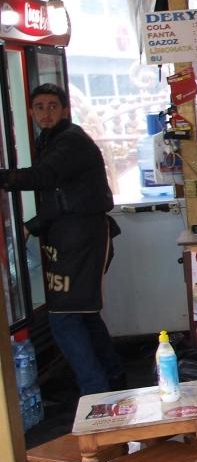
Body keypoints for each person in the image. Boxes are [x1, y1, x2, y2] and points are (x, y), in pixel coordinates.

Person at [1, 84, 124, 396]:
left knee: (64, 320)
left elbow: (44, 177)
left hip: (82, 238)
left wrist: (4, 178)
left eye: (52, 106)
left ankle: (95, 393)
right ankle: (113, 380)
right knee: (84, 313)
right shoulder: (51, 140)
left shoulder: (70, 140)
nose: (46, 113)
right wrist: (32, 226)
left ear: (65, 110)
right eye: (39, 107)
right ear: (30, 112)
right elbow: (58, 198)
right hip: (72, 236)